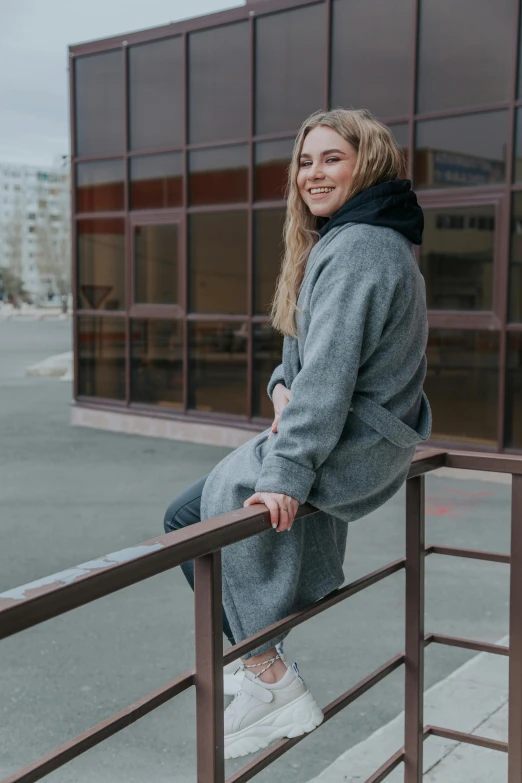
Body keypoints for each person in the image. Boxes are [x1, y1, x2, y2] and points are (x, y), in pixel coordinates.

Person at [164, 108, 431, 759]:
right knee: (190, 516)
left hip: (349, 443)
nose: (314, 173)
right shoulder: (349, 236)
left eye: (331, 158)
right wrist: (281, 387)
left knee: (190, 518)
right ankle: (263, 661)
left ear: (365, 163)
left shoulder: (362, 245)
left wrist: (285, 474)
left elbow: (331, 377)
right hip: (354, 432)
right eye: (306, 160)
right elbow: (305, 358)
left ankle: (268, 672)